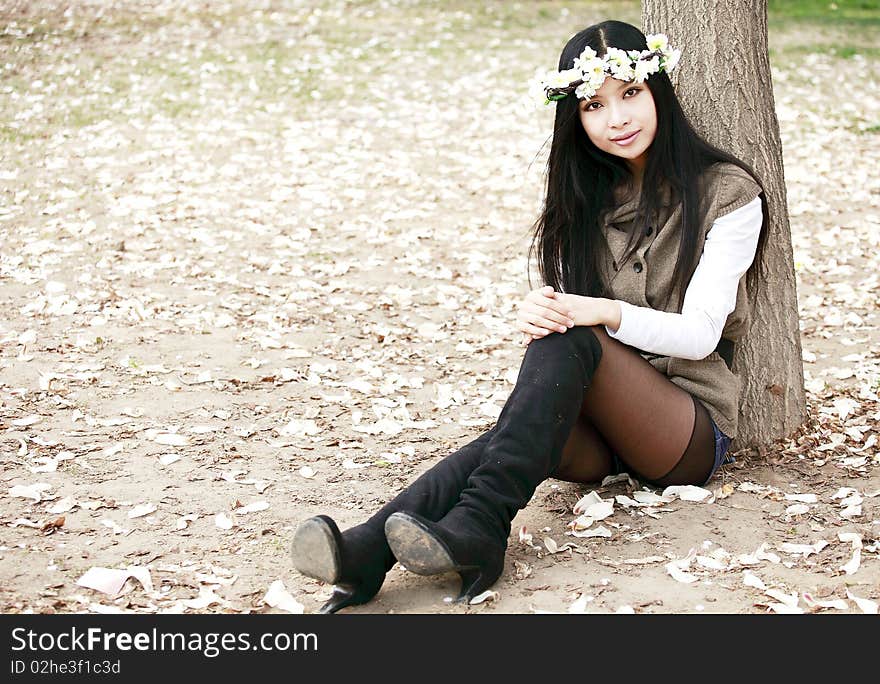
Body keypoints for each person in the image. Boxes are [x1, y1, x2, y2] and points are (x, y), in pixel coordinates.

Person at [289, 19, 769, 613]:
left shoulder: (728, 195)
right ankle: (368, 550)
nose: (616, 118)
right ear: (576, 120)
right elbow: (577, 329)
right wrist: (546, 310)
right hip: (604, 438)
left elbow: (699, 337)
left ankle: (481, 526)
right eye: (594, 106)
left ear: (658, 90)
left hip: (687, 435)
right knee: (507, 438)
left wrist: (598, 312)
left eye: (630, 94)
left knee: (574, 337)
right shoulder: (585, 202)